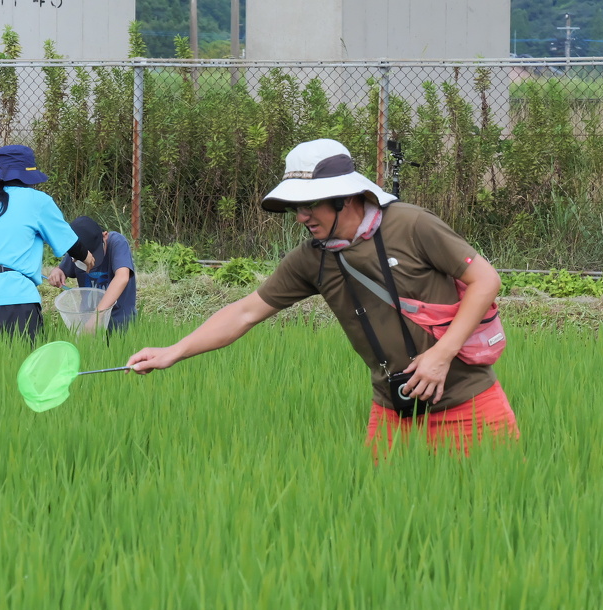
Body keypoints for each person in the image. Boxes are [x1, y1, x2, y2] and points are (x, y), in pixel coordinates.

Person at [126, 138, 519, 458]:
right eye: (297, 207)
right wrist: (173, 351)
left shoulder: (411, 225)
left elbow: (485, 280)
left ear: (344, 197)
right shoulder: (312, 259)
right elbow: (245, 312)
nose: (302, 216)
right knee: (388, 519)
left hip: (470, 404)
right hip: (393, 411)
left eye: (311, 204)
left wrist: (441, 354)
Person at [0, 144, 104, 340]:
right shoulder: (37, 200)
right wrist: (86, 257)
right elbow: (68, 241)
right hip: (18, 299)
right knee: (25, 359)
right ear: (28, 175)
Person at [46, 216, 138, 332]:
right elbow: (62, 269)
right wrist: (58, 271)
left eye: (95, 256)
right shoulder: (76, 250)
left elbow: (122, 277)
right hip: (87, 320)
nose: (91, 263)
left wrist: (97, 317)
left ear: (105, 236)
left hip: (120, 322)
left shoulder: (117, 242)